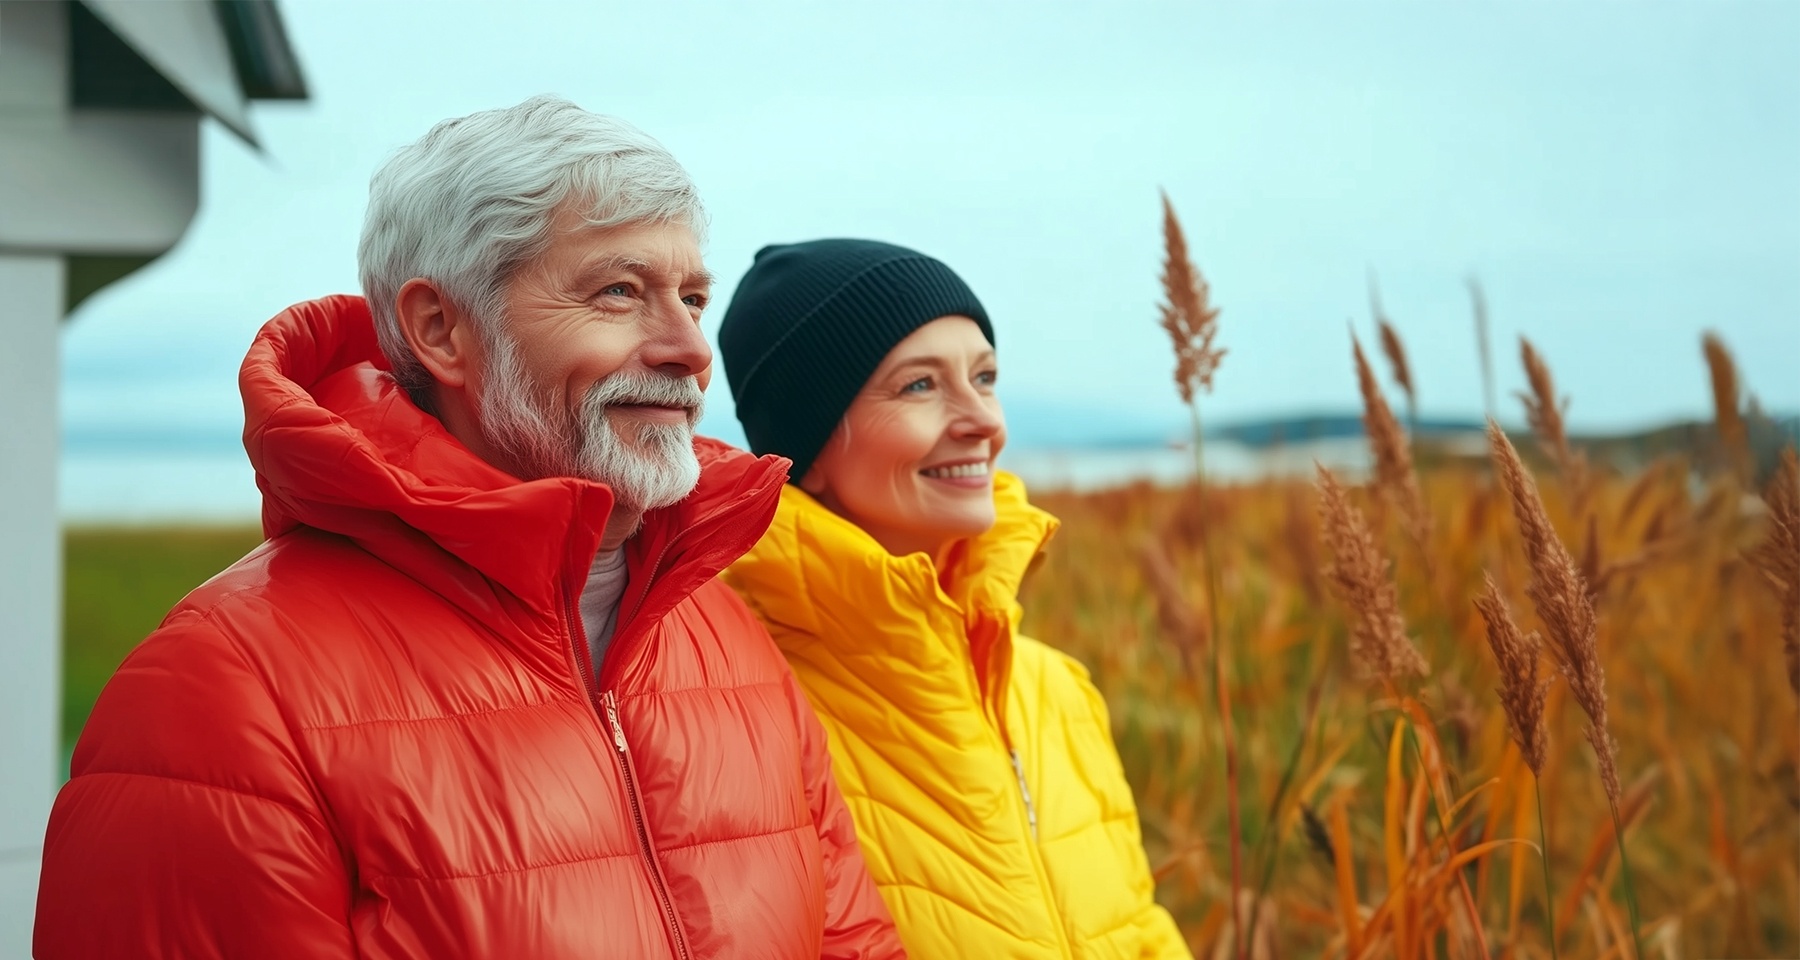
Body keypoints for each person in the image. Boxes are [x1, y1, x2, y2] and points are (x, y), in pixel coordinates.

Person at [35, 98, 902, 960]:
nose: (687, 347)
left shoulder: (723, 635)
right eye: (618, 292)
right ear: (441, 330)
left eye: (693, 297)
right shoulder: (223, 691)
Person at [716, 239, 1191, 959]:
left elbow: (1140, 930)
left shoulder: (1054, 689)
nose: (982, 421)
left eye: (986, 377)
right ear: (807, 450)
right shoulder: (741, 714)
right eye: (919, 386)